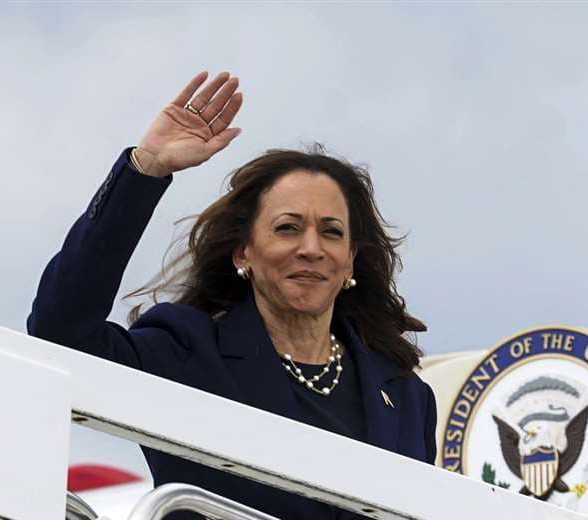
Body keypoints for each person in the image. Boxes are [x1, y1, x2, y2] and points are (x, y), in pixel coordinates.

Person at [28, 71, 436, 519]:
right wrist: (146, 168)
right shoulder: (186, 352)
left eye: (332, 232)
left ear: (351, 262)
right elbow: (60, 329)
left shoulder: (407, 398)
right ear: (244, 252)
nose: (311, 249)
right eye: (288, 228)